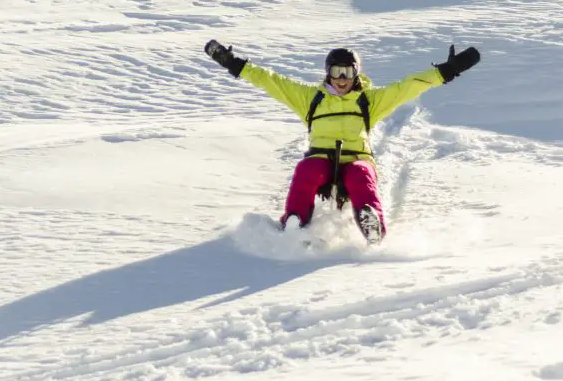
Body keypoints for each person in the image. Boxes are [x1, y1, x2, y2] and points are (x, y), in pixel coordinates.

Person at [204, 40, 480, 244]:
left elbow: (409, 85)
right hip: (321, 159)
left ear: (356, 74)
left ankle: (372, 224)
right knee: (306, 171)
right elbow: (271, 81)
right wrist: (233, 63)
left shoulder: (368, 101)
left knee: (361, 176)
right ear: (327, 73)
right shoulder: (309, 98)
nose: (342, 80)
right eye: (336, 72)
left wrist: (447, 70)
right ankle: (294, 223)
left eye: (348, 73)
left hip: (356, 158)